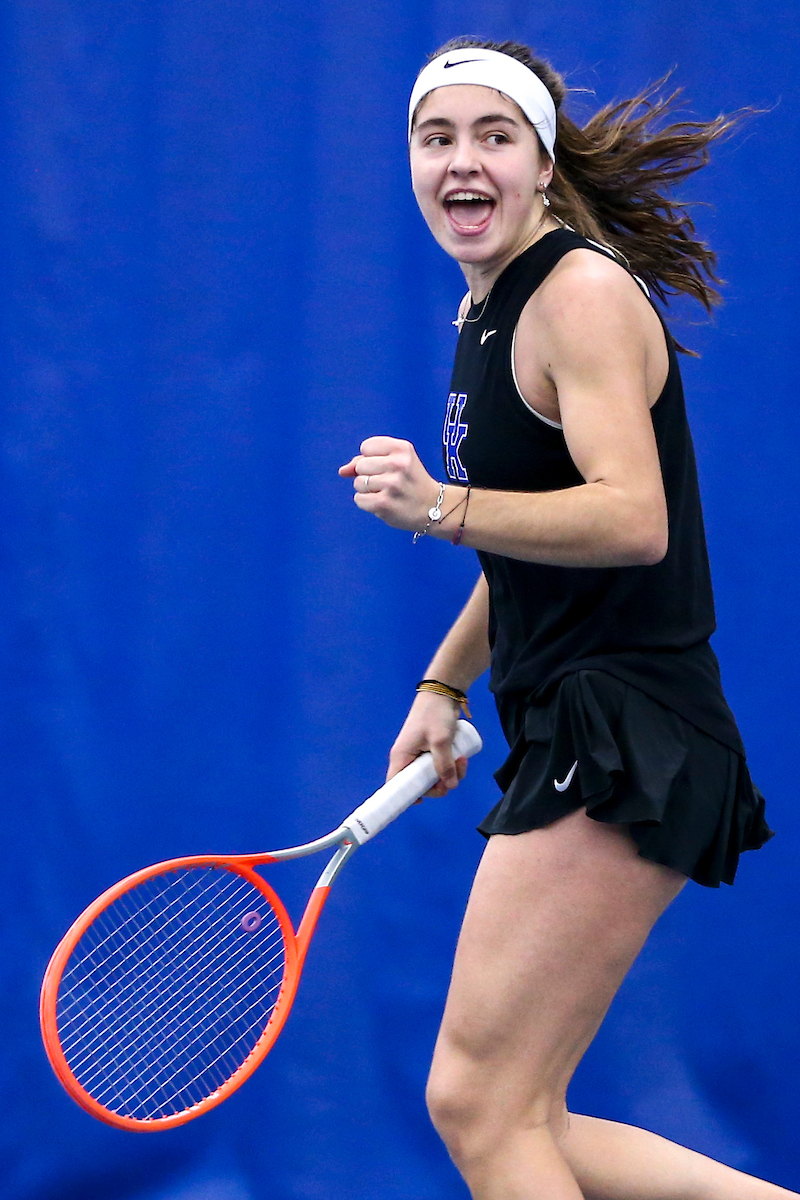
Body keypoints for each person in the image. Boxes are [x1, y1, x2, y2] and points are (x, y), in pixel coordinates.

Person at [339, 38, 788, 1200]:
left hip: (623, 728)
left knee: (478, 1105)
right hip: (578, 722)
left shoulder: (575, 294)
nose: (461, 162)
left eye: (493, 136)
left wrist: (436, 506)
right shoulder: (483, 307)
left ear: (540, 163)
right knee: (517, 1111)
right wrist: (441, 687)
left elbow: (629, 519)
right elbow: (527, 541)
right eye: (435, 138)